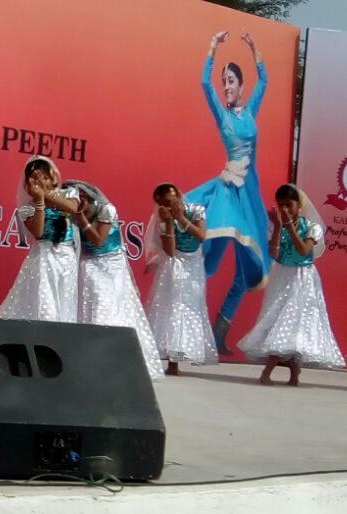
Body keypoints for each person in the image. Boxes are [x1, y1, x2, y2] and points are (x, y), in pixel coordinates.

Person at [188, 30, 271, 354]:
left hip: (250, 193)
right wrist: (212, 47)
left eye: (231, 81)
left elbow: (264, 80)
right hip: (228, 194)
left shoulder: (250, 111)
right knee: (210, 256)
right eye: (224, 81)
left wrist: (254, 47)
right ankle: (189, 322)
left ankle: (219, 331)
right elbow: (204, 83)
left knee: (248, 264)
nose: (226, 86)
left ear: (241, 86)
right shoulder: (221, 114)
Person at [237, 185, 344, 385]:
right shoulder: (275, 226)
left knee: (292, 321)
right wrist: (279, 227)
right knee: (279, 320)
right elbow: (274, 254)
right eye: (281, 205)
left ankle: (269, 372)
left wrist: (290, 226)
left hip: (302, 278)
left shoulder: (312, 227)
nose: (285, 209)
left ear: (298, 205)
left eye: (289, 204)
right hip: (282, 276)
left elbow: (303, 250)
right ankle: (294, 373)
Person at [69, 179, 164, 379]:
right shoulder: (70, 213)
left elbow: (98, 240)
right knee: (89, 306)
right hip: (88, 263)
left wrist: (81, 218)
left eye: (79, 194)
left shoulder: (106, 209)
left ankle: (111, 360)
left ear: (86, 195)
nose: (76, 198)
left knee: (108, 306)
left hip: (111, 265)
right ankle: (90, 361)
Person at [144, 183, 218, 374]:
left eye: (171, 201)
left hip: (193, 266)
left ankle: (183, 353)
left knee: (190, 306)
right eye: (164, 204)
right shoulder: (163, 219)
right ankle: (172, 361)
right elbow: (169, 251)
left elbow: (201, 236)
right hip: (174, 264)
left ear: (178, 196)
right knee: (173, 307)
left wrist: (181, 218)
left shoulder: (196, 210)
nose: (168, 206)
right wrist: (169, 223)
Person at [0, 157, 80, 322]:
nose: (39, 183)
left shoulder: (69, 193)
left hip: (66, 256)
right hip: (43, 257)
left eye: (44, 177)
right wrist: (40, 201)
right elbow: (38, 232)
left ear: (53, 177)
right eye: (34, 180)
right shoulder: (26, 208)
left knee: (63, 299)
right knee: (45, 301)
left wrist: (46, 194)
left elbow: (72, 208)